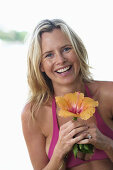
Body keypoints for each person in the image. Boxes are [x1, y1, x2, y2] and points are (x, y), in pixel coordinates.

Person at [21, 19, 113, 170]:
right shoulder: (33, 114)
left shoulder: (109, 95)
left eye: (66, 49)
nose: (61, 60)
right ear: (41, 66)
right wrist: (59, 152)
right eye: (49, 55)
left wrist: (107, 143)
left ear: (78, 51)